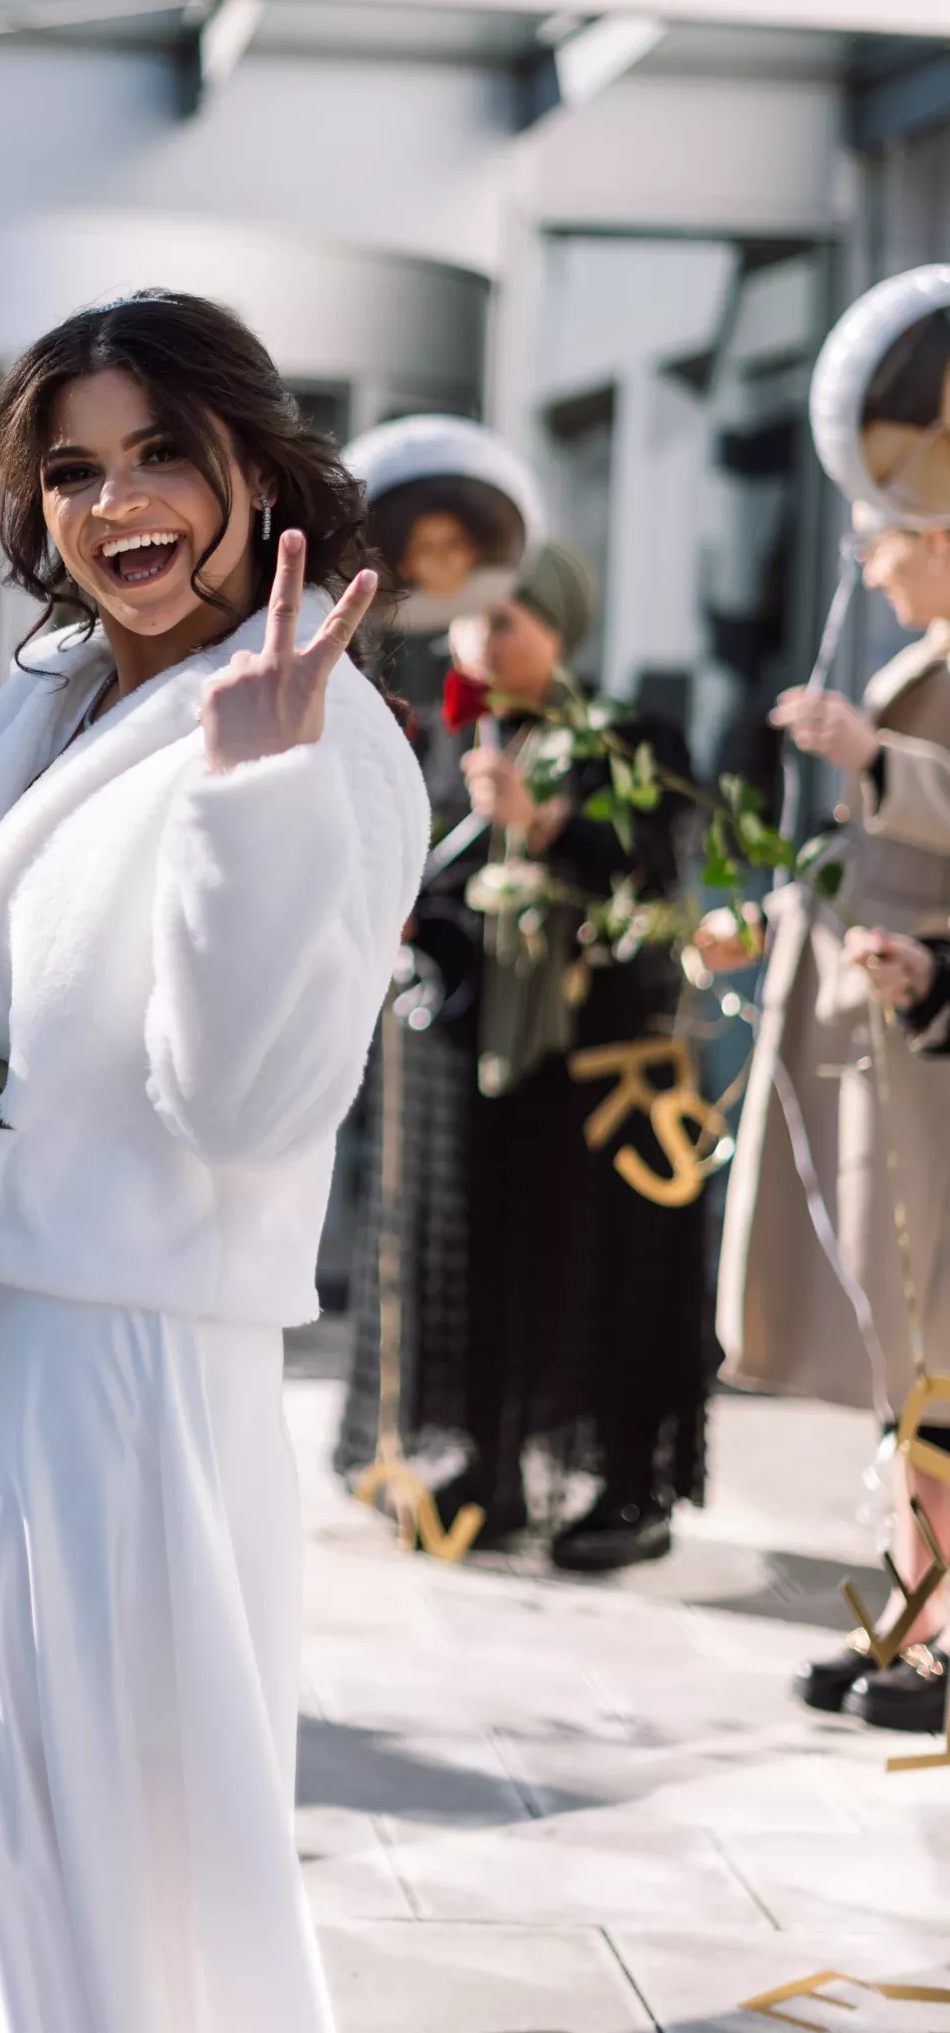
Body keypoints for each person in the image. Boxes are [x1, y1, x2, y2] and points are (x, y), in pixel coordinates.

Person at [0, 290, 428, 2033]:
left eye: (161, 452)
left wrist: (252, 801)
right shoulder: (56, 697)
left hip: (126, 1369)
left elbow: (250, 1106)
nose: (114, 501)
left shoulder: (319, 733)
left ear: (251, 461)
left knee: (96, 1847)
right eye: (71, 469)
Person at [340, 543, 709, 1571]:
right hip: (481, 1074)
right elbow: (452, 899)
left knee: (600, 1276)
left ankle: (621, 1488)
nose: (481, 640)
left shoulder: (628, 736)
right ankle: (486, 1472)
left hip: (594, 1074)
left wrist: (542, 819)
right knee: (487, 1274)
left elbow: (650, 872)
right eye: (471, 621)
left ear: (559, 626)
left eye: (506, 620)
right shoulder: (462, 737)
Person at [707, 503, 950, 1733]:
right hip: (892, 1052)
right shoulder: (927, 655)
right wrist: (759, 925)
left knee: (942, 1361)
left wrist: (872, 755)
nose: (864, 558)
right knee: (908, 1353)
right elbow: (864, 856)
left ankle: (937, 1639)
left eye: (882, 532)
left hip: (934, 1057)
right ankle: (917, 1622)